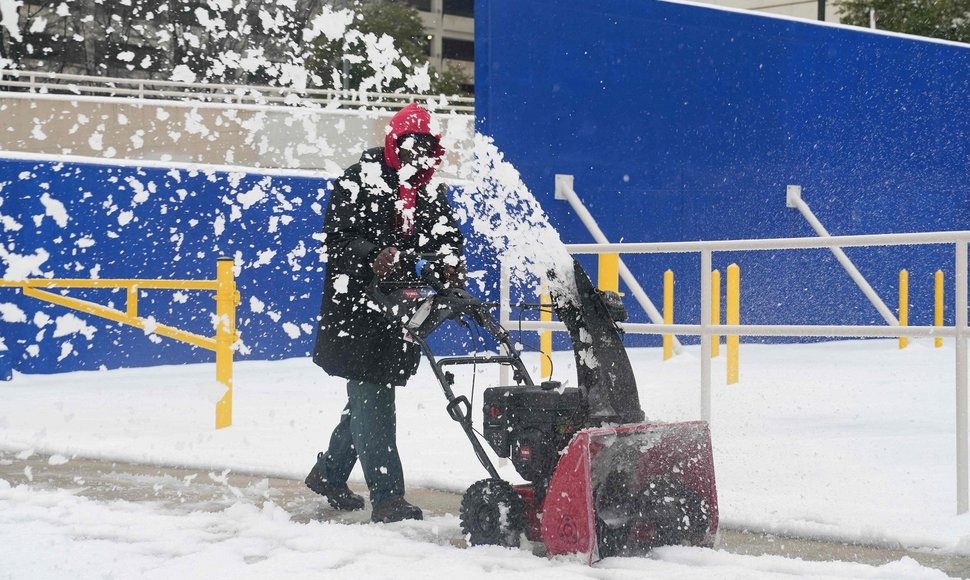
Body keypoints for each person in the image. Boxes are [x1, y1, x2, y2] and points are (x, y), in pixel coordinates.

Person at [306, 103, 465, 523]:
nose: (419, 158)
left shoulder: (430, 192)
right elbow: (336, 240)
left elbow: (446, 238)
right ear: (394, 144)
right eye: (411, 148)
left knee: (369, 393)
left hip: (399, 308)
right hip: (356, 308)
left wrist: (448, 263)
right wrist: (375, 253)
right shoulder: (358, 180)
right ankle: (389, 496)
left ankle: (329, 473)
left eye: (427, 150)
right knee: (373, 393)